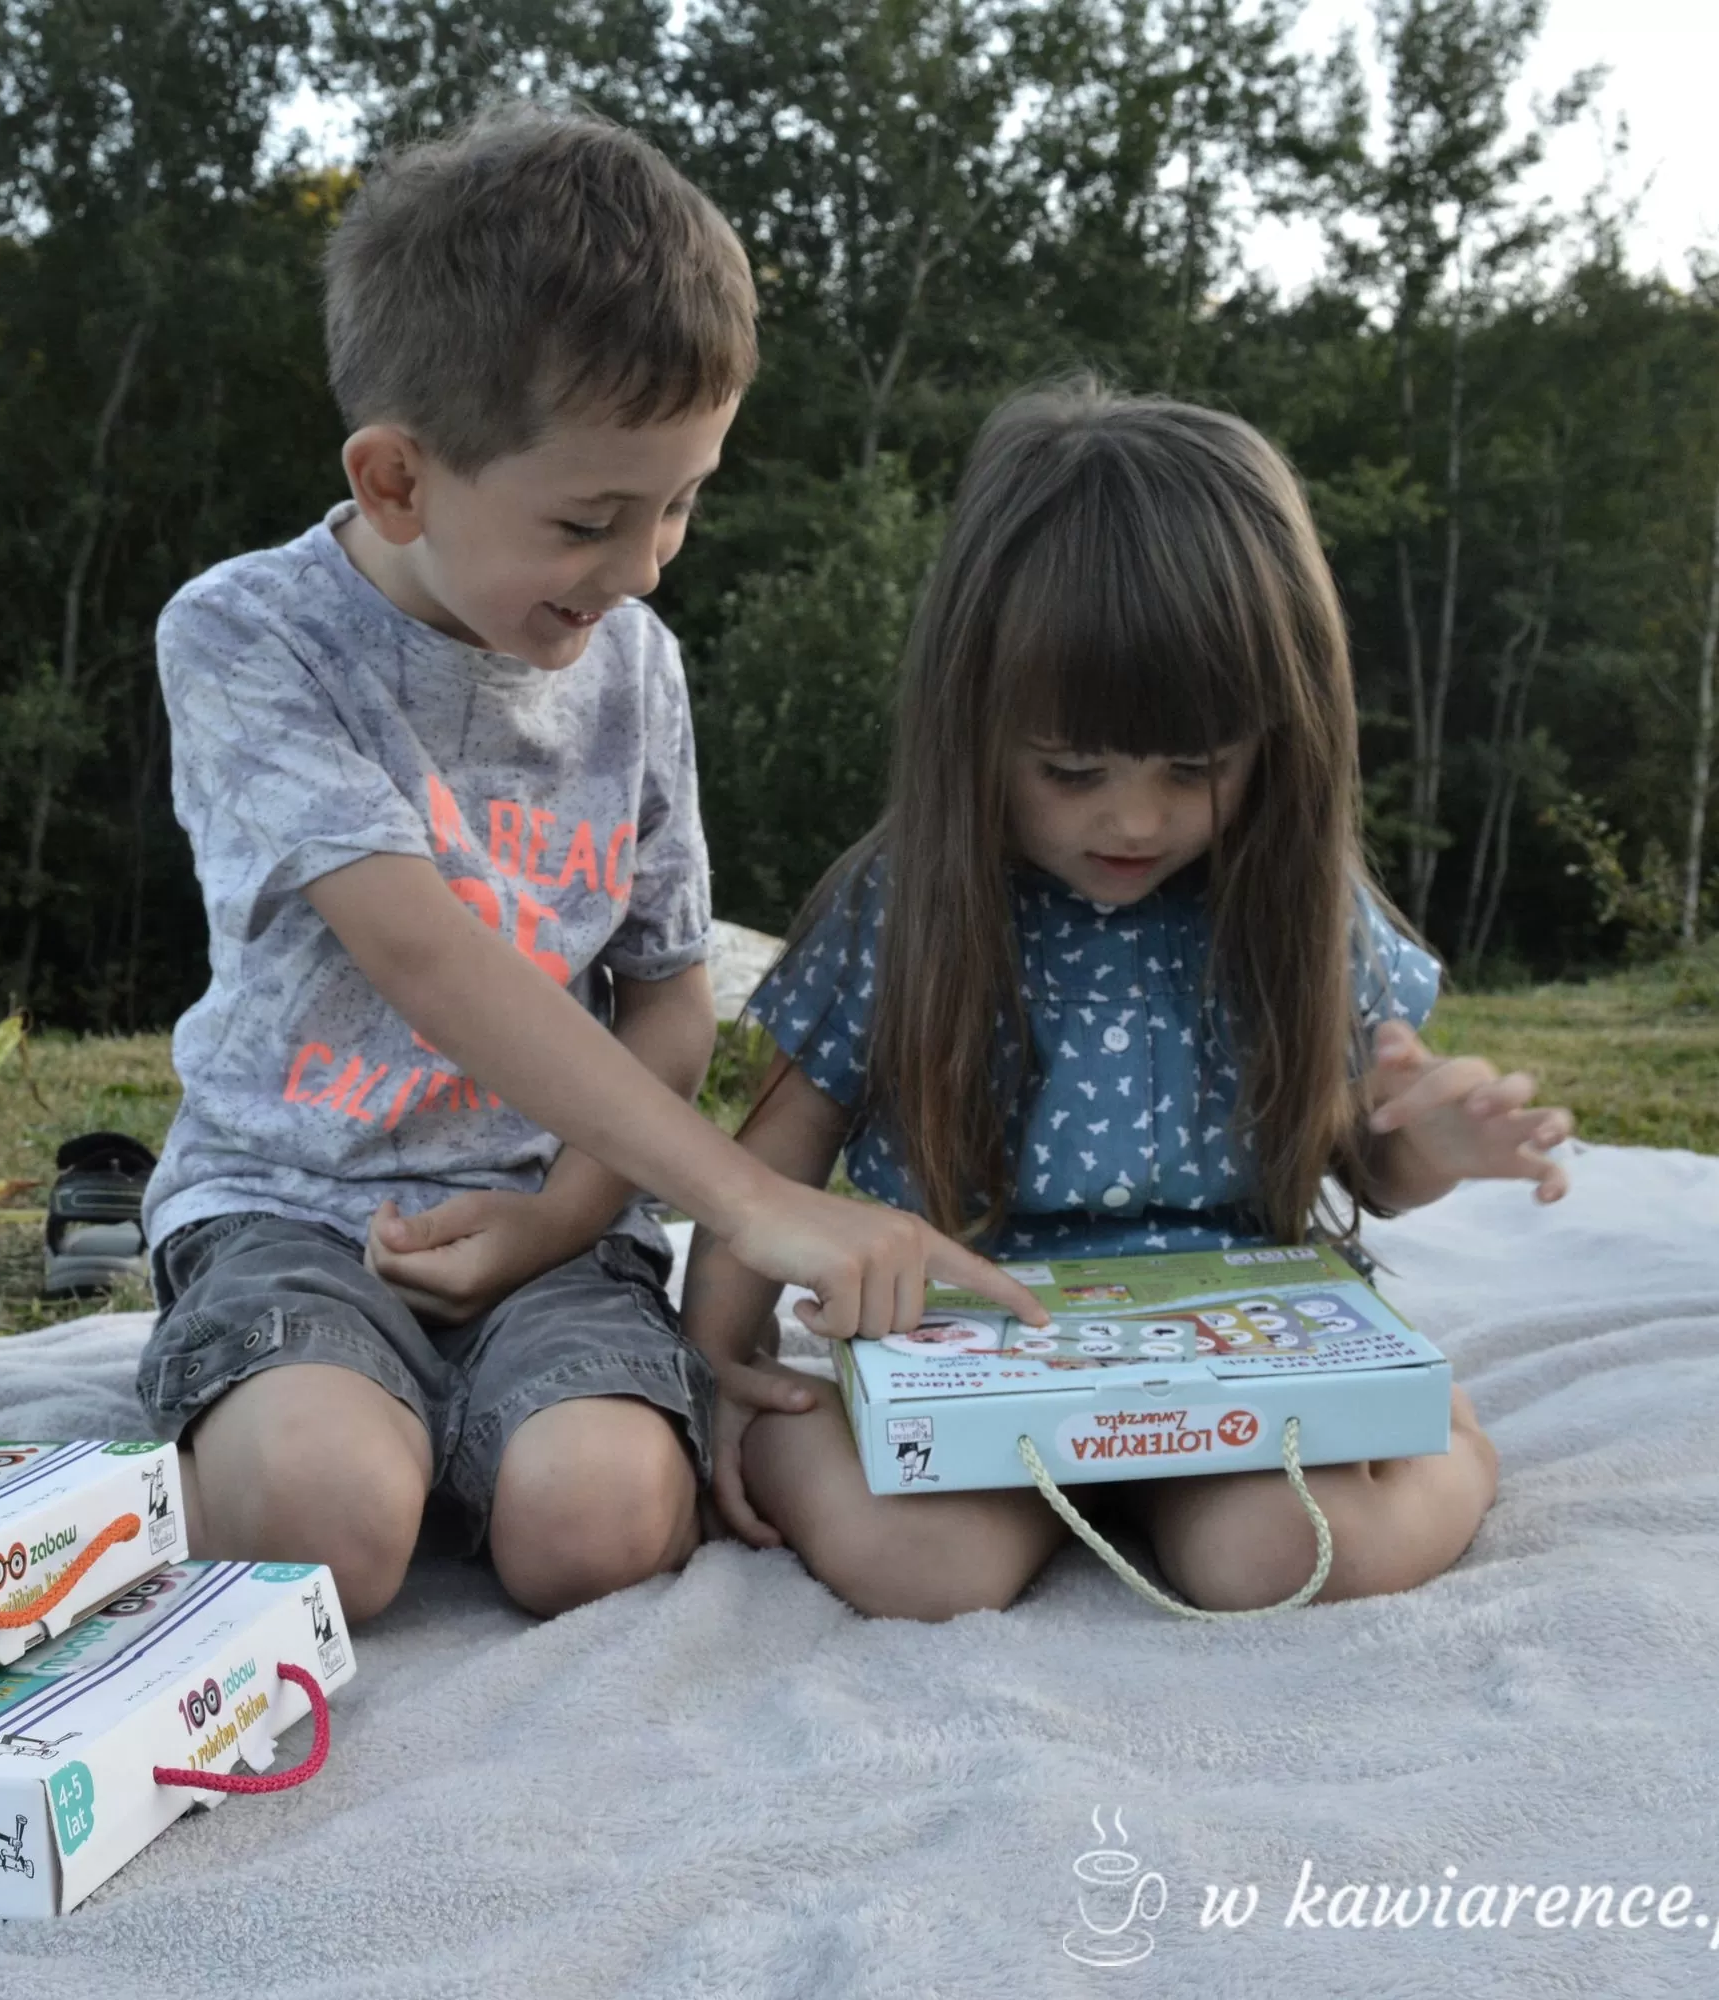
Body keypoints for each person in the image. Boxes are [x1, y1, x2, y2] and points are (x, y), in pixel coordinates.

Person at [137, 110, 1044, 1627]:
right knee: (324, 1523)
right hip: (291, 1210)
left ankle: (470, 1433)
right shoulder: (246, 635)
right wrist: (749, 1203)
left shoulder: (635, 664)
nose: (644, 566)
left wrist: (564, 1222)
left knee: (603, 1527)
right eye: (589, 519)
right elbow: (427, 958)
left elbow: (671, 998)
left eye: (683, 499)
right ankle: (336, 1423)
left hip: (562, 1228)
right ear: (398, 480)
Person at [682, 382, 1575, 1620]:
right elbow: (763, 1163)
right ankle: (979, 1481)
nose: (1135, 818)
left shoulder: (1289, 893)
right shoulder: (905, 898)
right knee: (921, 1568)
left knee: (1271, 1556)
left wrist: (1431, 1145)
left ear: (1276, 736)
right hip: (963, 1340)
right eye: (1072, 770)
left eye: (1194, 767)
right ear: (974, 725)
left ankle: (1448, 1442)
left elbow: (1373, 1155)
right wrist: (719, 1362)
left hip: (1231, 1339)